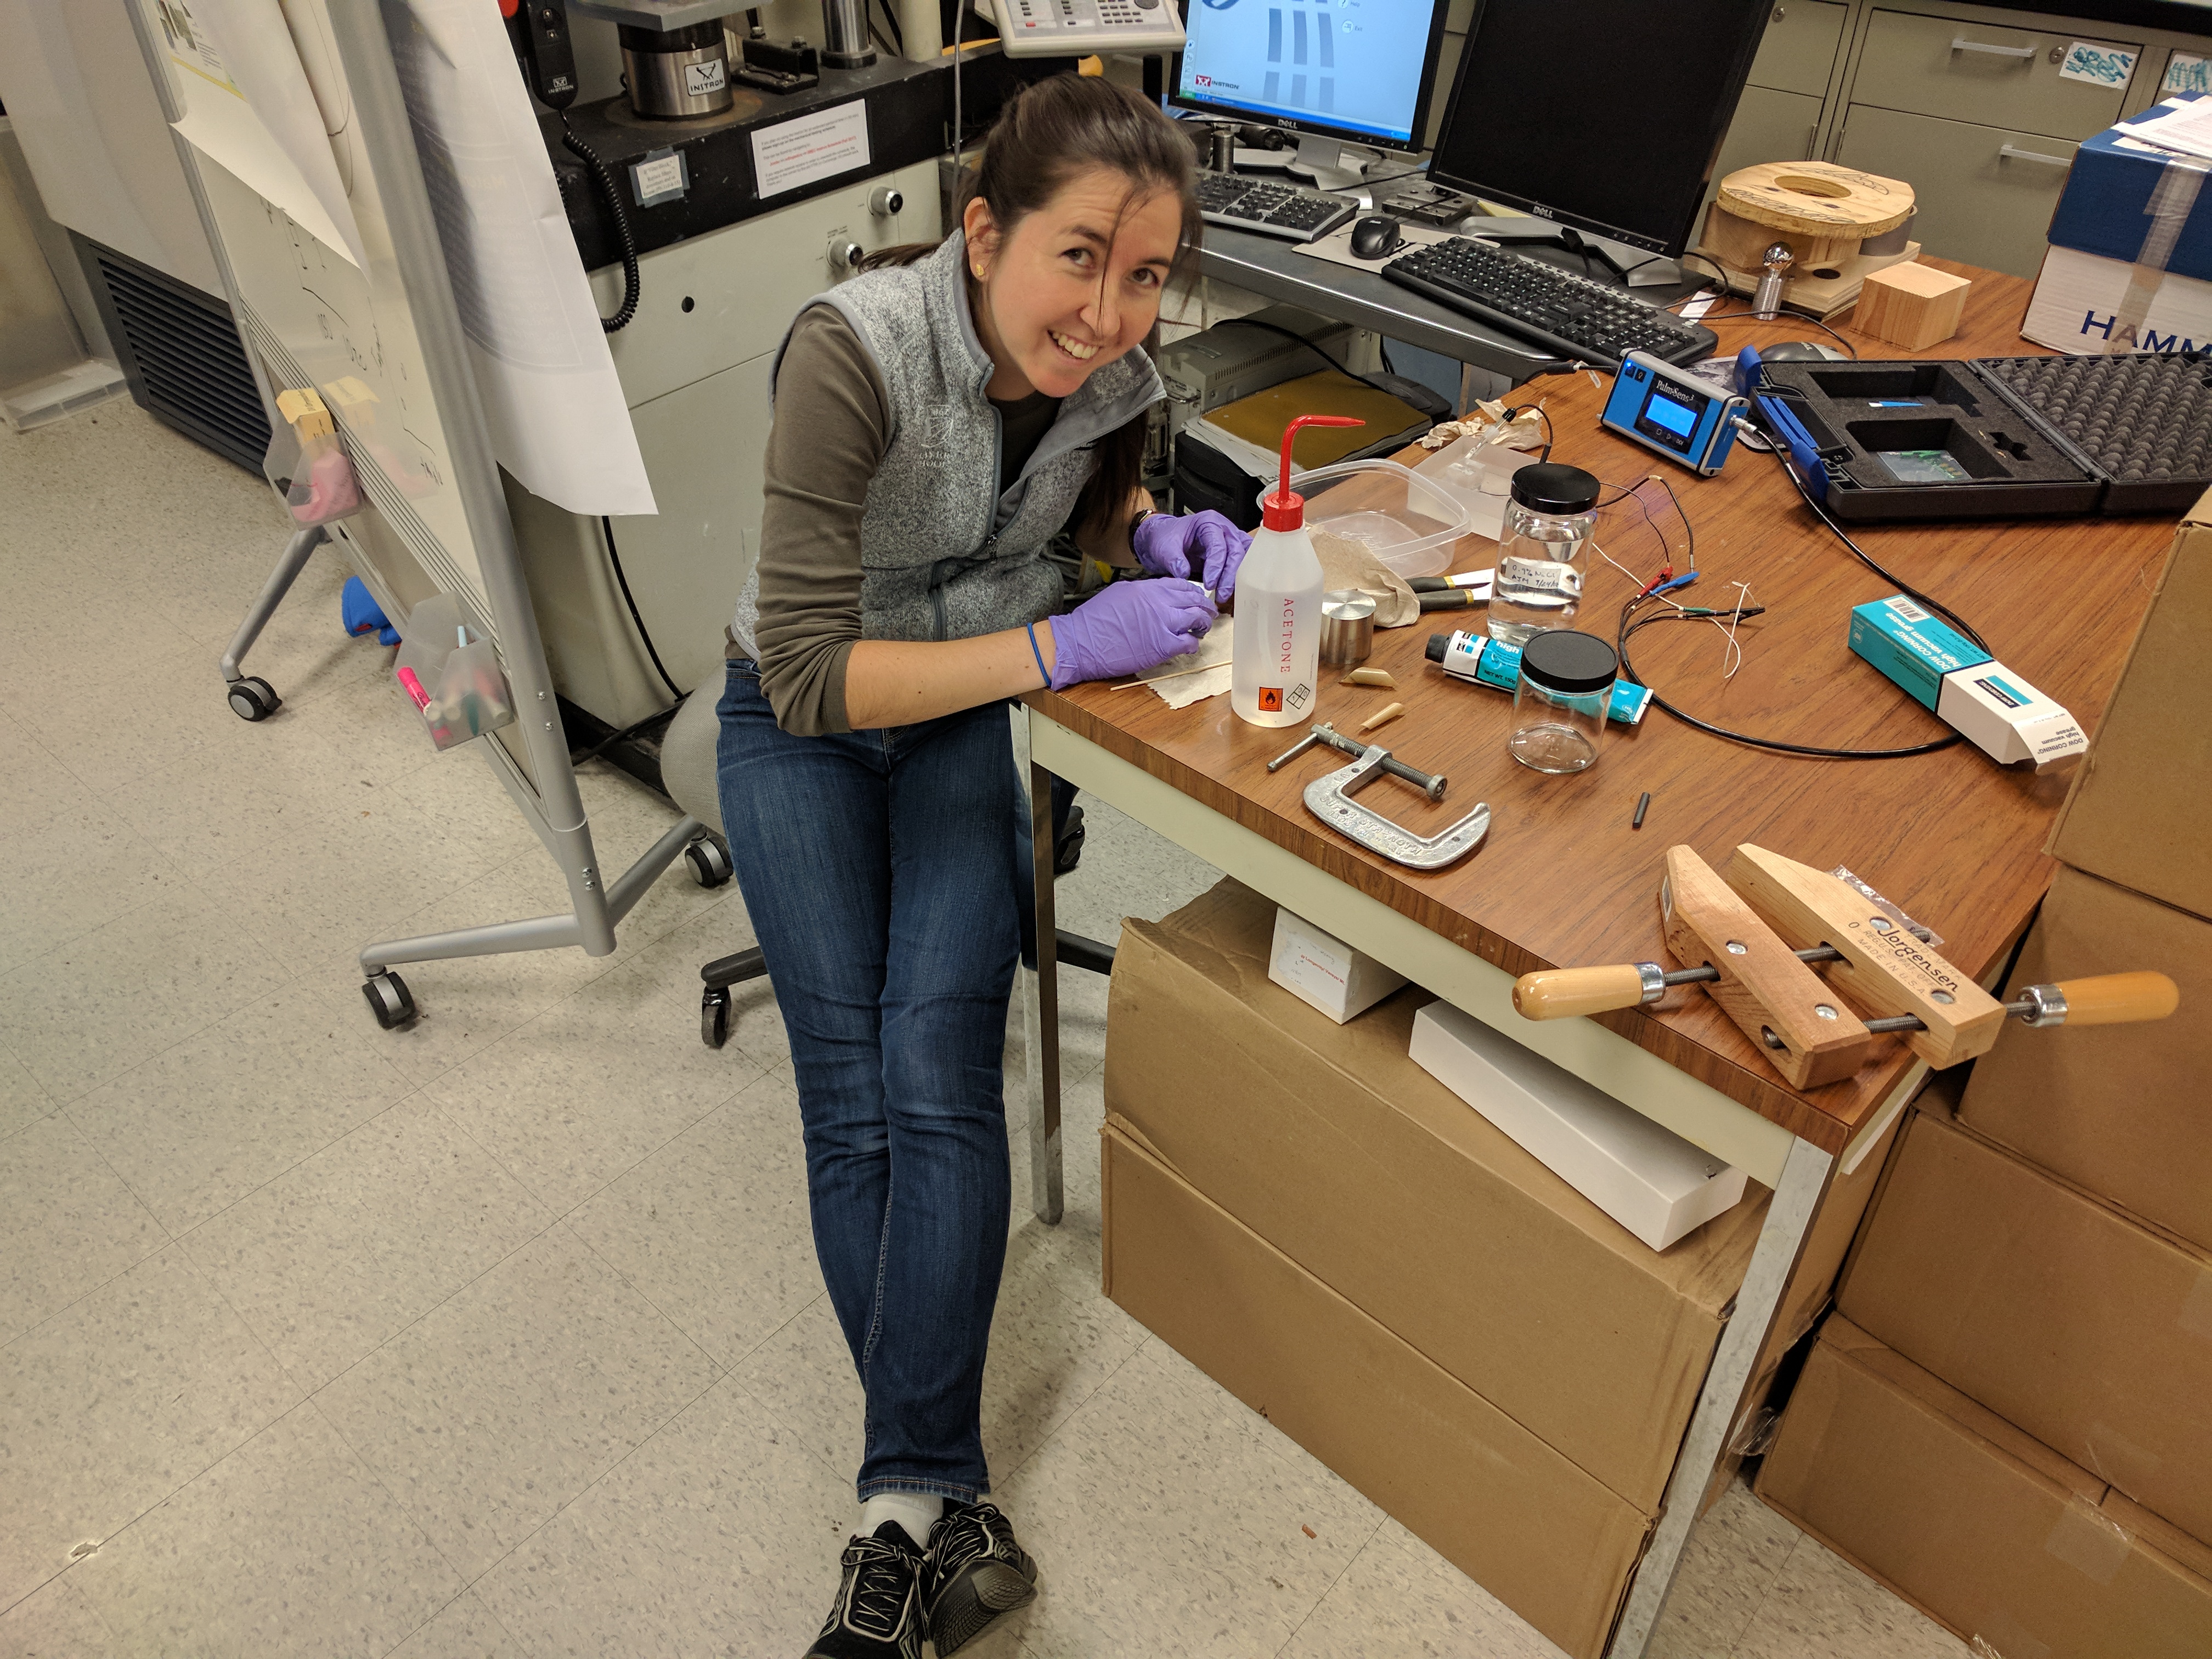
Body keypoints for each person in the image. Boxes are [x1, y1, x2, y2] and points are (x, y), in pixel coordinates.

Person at [716, 75, 1251, 1659]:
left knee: (938, 1072)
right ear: (980, 232)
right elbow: (812, 674)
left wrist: (1147, 539)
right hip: (802, 723)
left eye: (1146, 272)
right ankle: (937, 1500)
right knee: (855, 1091)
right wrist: (1059, 643)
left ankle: (894, 1520)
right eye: (1078, 257)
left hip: (958, 718)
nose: (1107, 313)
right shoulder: (854, 352)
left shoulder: (1119, 370)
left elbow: (1074, 511)